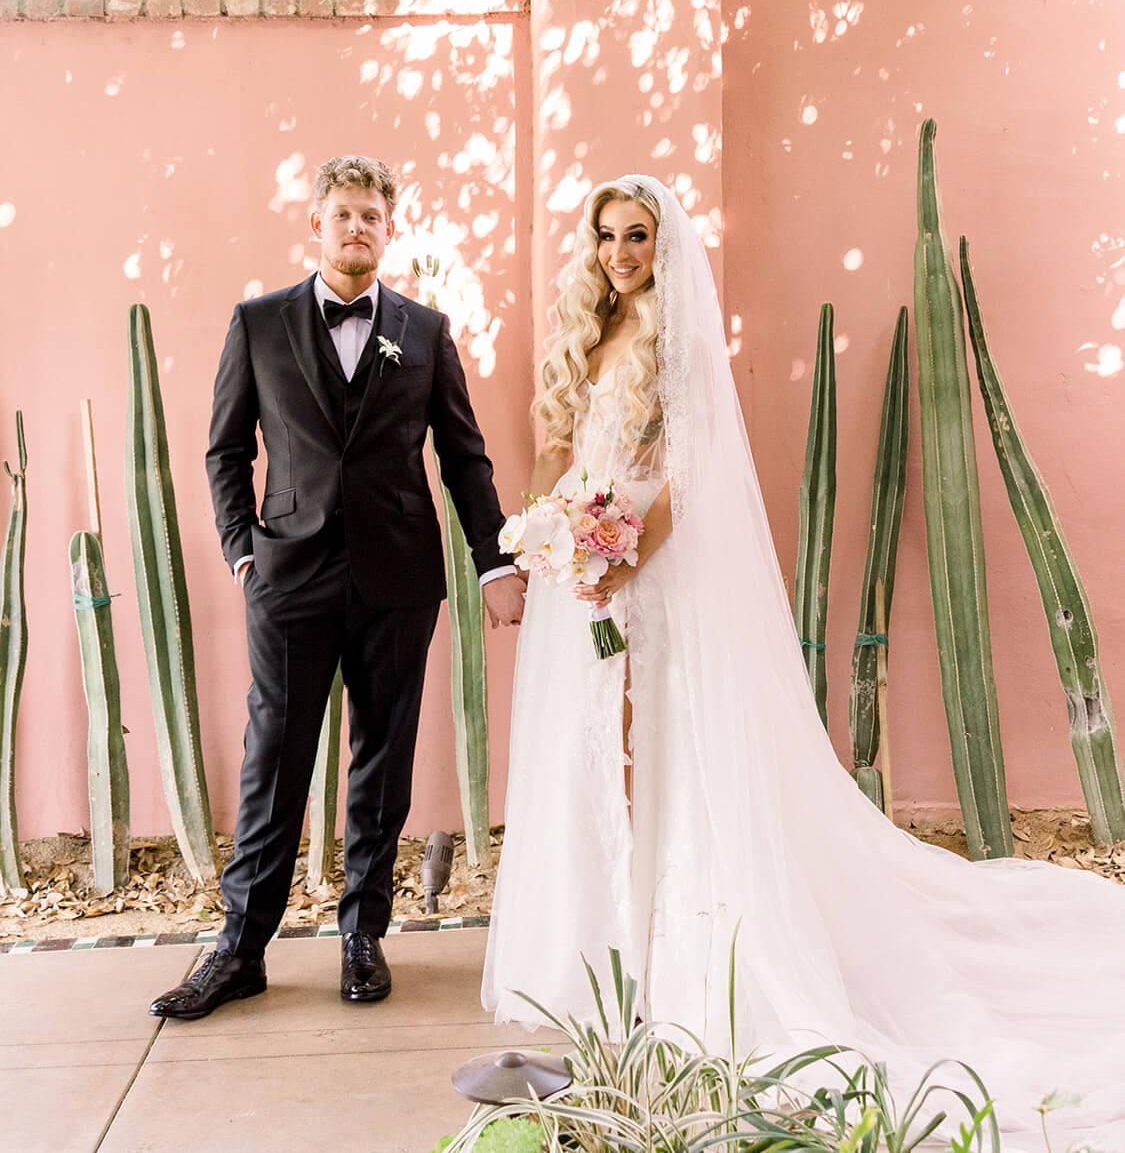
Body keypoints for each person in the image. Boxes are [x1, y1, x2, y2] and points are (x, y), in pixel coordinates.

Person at [483, 174, 1125, 1146]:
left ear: (664, 244)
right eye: (609, 236)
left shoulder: (676, 340)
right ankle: (606, 952)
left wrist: (613, 564)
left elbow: (679, 484)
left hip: (639, 577)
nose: (621, 252)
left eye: (639, 235)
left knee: (653, 756)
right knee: (590, 765)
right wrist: (537, 538)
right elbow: (554, 450)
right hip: (583, 576)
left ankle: (677, 958)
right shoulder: (587, 331)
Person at [150, 156, 525, 1022]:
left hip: (399, 578)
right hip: (289, 578)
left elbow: (463, 456)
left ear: (389, 231)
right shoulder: (257, 322)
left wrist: (494, 562)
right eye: (342, 215)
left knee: (381, 759)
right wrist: (245, 550)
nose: (357, 228)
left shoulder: (424, 333)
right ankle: (240, 950)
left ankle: (363, 935)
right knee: (272, 759)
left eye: (372, 216)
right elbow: (224, 450)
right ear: (314, 227)